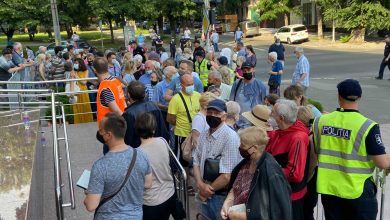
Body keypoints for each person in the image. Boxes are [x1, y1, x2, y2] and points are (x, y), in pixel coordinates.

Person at [311, 79, 390, 220]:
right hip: (357, 191)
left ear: (339, 96)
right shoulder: (367, 126)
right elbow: (382, 163)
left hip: (330, 189)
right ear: (359, 97)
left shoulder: (320, 121)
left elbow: (318, 149)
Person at [84, 113, 153, 219]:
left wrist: (90, 194)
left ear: (108, 135)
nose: (99, 133)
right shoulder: (141, 155)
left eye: (101, 130)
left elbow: (91, 205)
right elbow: (148, 184)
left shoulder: (100, 166)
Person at [221, 126, 293, 220]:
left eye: (243, 145)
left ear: (254, 148)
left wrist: (238, 216)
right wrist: (227, 204)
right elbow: (236, 187)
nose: (240, 147)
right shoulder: (247, 162)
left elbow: (275, 212)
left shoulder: (271, 172)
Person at [192, 99, 242, 220]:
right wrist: (200, 184)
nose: (212, 116)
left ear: (224, 116)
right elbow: (196, 160)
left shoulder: (230, 137)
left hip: (220, 196)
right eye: (210, 112)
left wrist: (206, 191)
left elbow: (226, 176)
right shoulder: (204, 134)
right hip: (204, 189)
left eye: (216, 113)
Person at [266, 99, 310, 220]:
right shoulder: (281, 131)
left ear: (281, 118)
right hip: (278, 192)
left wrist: (269, 171)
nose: (270, 114)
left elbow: (295, 174)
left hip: (290, 197)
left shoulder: (298, 138)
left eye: (273, 112)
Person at [134, 113, 177, 220]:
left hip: (151, 201)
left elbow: (142, 183)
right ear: (153, 129)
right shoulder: (162, 141)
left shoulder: (137, 153)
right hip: (169, 194)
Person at [122, 80, 169, 148]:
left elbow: (128, 140)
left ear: (129, 94)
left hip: (139, 152)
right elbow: (163, 132)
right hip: (157, 148)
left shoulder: (128, 114)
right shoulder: (153, 106)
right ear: (145, 94)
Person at [167, 73, 201, 164]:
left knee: (194, 159)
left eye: (192, 84)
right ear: (181, 85)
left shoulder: (198, 96)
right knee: (181, 159)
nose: (191, 86)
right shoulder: (176, 99)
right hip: (182, 134)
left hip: (196, 134)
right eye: (188, 85)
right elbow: (170, 118)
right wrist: (181, 124)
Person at [94, 57, 127, 152]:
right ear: (107, 67)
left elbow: (115, 109)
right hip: (118, 127)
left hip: (110, 131)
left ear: (95, 71)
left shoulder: (105, 87)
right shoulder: (115, 81)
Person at [230, 61, 267, 129]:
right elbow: (232, 101)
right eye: (244, 70)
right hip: (238, 122)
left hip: (254, 124)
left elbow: (265, 104)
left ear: (253, 69)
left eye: (249, 70)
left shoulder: (260, 85)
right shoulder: (237, 83)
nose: (246, 72)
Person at [71, 58, 93, 124]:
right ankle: (78, 121)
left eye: (77, 63)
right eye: (75, 63)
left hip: (83, 90)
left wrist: (76, 76)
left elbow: (84, 82)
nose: (75, 64)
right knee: (77, 106)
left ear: (81, 64)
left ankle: (87, 121)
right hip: (75, 90)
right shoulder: (73, 71)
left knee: (84, 105)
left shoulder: (86, 71)